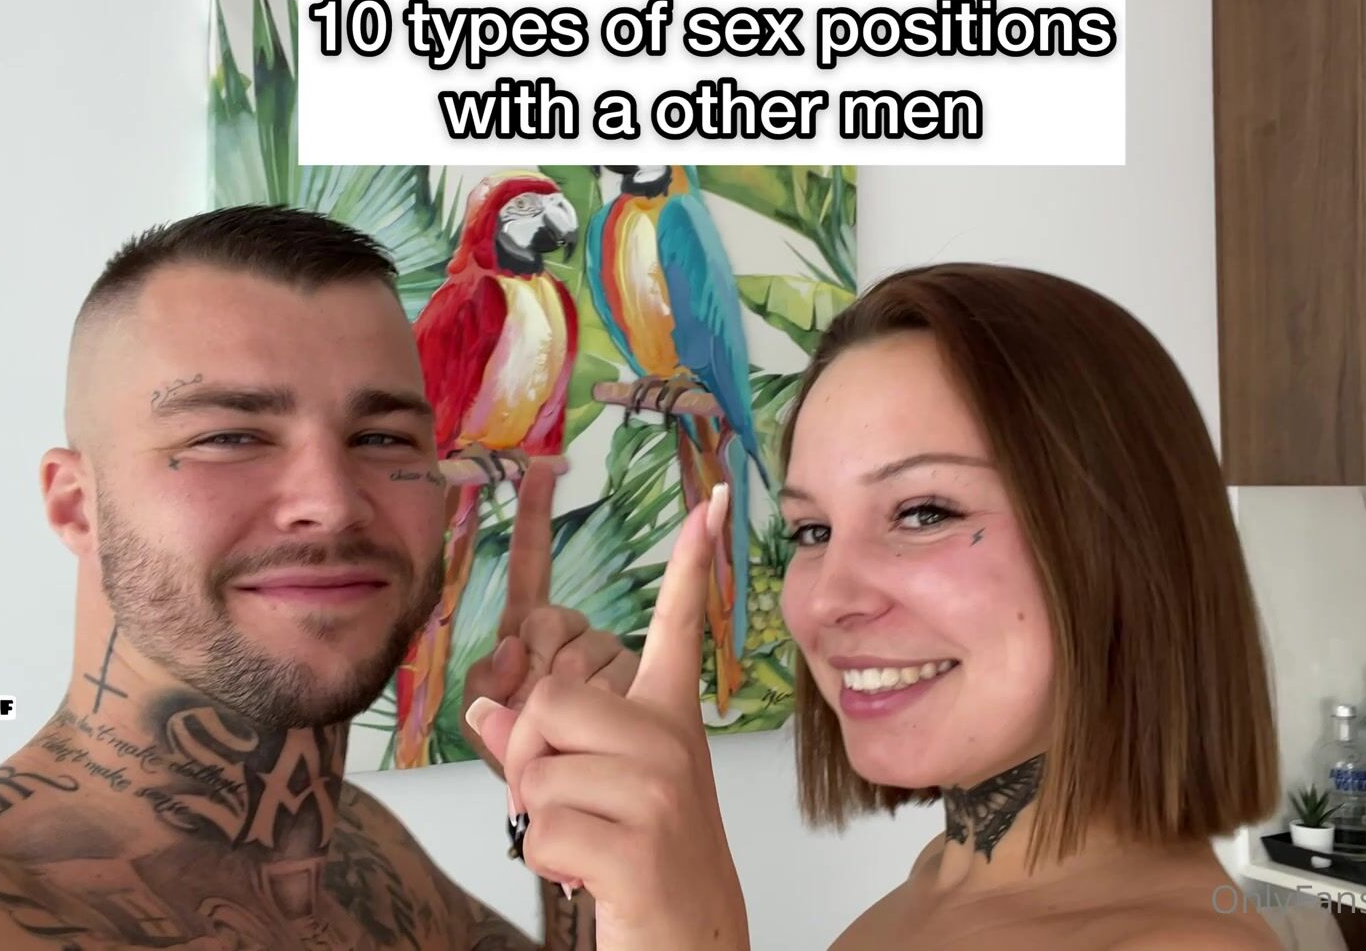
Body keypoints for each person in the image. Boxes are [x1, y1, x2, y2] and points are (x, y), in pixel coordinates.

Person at [0, 206, 628, 949]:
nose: (332, 504)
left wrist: (588, 832)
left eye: (381, 438)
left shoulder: (370, 858)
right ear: (76, 506)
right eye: (229, 437)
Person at [469, 262, 1284, 950]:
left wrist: (691, 930)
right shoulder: (946, 885)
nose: (828, 598)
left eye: (924, 512)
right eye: (812, 531)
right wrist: (603, 831)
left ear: (1122, 538)